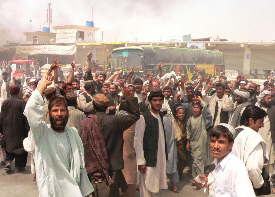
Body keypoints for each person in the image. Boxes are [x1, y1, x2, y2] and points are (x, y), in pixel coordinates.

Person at [24, 75, 94, 197]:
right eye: (55, 111)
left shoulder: (73, 133)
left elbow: (80, 166)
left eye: (62, 110)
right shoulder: (42, 132)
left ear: (68, 113)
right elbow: (30, 109)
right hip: (51, 191)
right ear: (48, 113)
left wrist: (86, 193)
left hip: (73, 191)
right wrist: (42, 86)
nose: (59, 114)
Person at [94, 90, 140, 197]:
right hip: (113, 166)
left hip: (95, 168)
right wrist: (128, 97)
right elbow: (135, 115)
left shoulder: (87, 121)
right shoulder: (115, 121)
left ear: (93, 106)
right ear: (107, 107)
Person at [195, 124, 255, 197]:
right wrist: (208, 182)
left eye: (221, 142)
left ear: (231, 145)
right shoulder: (219, 161)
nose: (216, 146)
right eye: (213, 141)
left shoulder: (236, 168)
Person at [135, 90, 168, 196]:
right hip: (148, 161)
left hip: (159, 160)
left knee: (156, 188)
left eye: (159, 100)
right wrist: (141, 162)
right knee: (146, 190)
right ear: (150, 102)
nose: (157, 103)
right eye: (155, 100)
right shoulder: (143, 117)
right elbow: (138, 140)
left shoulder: (160, 117)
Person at [232, 105, 269, 195]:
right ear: (251, 121)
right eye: (260, 122)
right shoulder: (253, 137)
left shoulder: (234, 133)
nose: (262, 125)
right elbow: (253, 168)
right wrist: (260, 184)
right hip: (246, 188)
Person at [0, 85, 29, 172]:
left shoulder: (5, 103)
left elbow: (1, 117)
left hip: (7, 130)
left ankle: (8, 160)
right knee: (21, 148)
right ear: (19, 92)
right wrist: (28, 128)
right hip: (20, 130)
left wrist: (1, 129)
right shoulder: (22, 103)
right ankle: (19, 166)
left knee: (9, 146)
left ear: (9, 92)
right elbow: (26, 117)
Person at [186, 96, 208, 187]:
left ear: (200, 110)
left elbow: (205, 105)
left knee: (198, 163)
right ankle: (195, 179)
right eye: (194, 108)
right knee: (194, 162)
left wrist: (200, 99)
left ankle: (200, 181)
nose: (195, 109)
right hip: (193, 143)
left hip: (200, 142)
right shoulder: (190, 119)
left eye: (197, 108)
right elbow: (188, 131)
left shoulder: (202, 117)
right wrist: (188, 142)